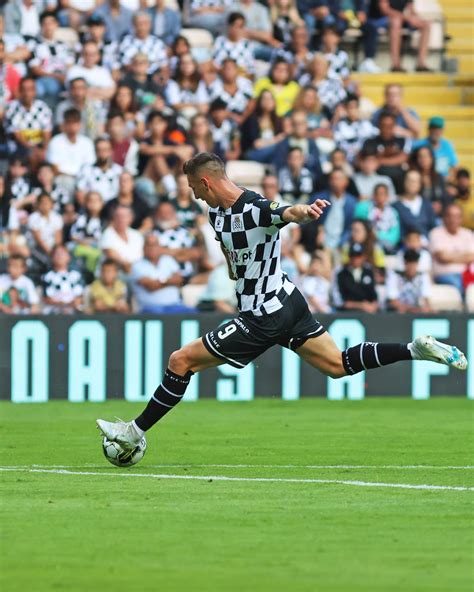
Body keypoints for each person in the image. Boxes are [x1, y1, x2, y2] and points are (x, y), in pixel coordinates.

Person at [97, 153, 467, 452]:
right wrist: (235, 269)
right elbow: (231, 250)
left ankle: (134, 431)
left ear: (207, 182)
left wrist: (304, 212)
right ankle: (415, 349)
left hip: (263, 314)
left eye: (195, 187)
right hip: (288, 300)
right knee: (337, 366)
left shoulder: (255, 207)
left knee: (180, 361)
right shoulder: (216, 214)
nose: (195, 195)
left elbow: (284, 212)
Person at [131, 233, 186, 314]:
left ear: (160, 247)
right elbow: (151, 286)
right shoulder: (137, 266)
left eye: (155, 244)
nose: (152, 248)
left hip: (175, 306)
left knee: (194, 313)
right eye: (149, 245)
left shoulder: (168, 260)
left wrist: (160, 282)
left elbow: (179, 280)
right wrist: (169, 280)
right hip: (151, 309)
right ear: (144, 247)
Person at [429, 203, 474, 295]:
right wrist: (463, 256)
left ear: (461, 219)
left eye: (456, 216)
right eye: (450, 216)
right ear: (444, 217)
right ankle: (463, 308)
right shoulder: (436, 233)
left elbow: (472, 257)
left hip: (466, 275)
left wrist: (450, 255)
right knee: (457, 283)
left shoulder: (468, 234)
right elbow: (442, 257)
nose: (453, 220)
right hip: (444, 275)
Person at [379, 0, 431, 72]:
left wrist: (415, 18)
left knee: (426, 25)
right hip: (383, 19)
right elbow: (385, 10)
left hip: (401, 18)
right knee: (396, 22)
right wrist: (405, 17)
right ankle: (396, 64)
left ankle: (421, 64)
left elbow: (411, 9)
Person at [354, 183, 400, 254]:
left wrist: (378, 235)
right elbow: (357, 224)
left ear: (387, 196)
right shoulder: (365, 209)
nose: (380, 197)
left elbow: (394, 235)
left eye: (383, 194)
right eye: (378, 194)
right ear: (374, 196)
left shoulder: (393, 213)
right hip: (367, 245)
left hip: (386, 247)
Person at [333, 241, 379, 312]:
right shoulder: (341, 274)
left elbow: (375, 294)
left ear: (364, 257)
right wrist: (361, 305)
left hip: (368, 313)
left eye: (358, 256)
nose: (356, 259)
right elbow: (339, 300)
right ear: (349, 256)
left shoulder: (369, 272)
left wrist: (373, 306)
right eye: (353, 256)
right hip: (347, 314)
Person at [392, 170, 437, 241]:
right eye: (409, 180)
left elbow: (433, 227)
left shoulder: (427, 204)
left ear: (420, 184)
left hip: (426, 246)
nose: (412, 184)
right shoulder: (396, 206)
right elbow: (395, 231)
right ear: (404, 182)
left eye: (415, 181)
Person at [100, 204, 144, 273]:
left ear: (131, 218)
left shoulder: (136, 235)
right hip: (117, 273)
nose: (121, 219)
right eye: (118, 216)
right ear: (113, 218)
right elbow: (113, 256)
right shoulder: (108, 234)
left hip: (138, 272)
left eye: (124, 216)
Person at [42, 244, 84, 314]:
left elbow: (80, 296)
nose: (60, 256)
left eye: (62, 253)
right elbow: (46, 298)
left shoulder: (76, 275)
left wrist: (73, 303)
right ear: (52, 257)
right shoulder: (47, 276)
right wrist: (63, 304)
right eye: (57, 254)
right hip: (53, 312)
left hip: (74, 310)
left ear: (69, 257)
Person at [386, 249, 431, 313]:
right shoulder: (394, 276)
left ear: (417, 264)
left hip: (415, 311)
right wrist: (410, 309)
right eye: (409, 264)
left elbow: (426, 300)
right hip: (397, 313)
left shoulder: (423, 277)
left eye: (414, 264)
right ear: (404, 263)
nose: (411, 267)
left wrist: (424, 308)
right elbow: (393, 301)